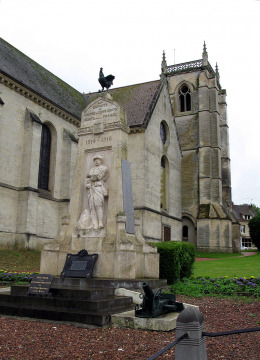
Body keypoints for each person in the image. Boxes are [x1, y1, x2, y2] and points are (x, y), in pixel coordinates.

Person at [77, 155, 108, 230]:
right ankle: (95, 223)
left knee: (98, 205)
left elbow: (98, 177)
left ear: (101, 160)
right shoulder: (92, 169)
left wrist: (91, 177)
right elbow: (88, 179)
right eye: (95, 160)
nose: (96, 161)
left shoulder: (104, 168)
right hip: (90, 189)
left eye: (98, 160)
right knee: (92, 206)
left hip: (98, 188)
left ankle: (100, 222)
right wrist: (87, 183)